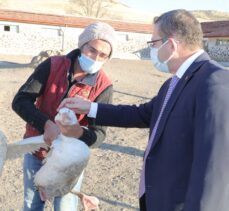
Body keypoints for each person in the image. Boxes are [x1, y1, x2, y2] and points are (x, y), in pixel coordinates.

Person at [58, 9, 229, 211]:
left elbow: (214, 170)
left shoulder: (214, 82)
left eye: (154, 43)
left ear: (171, 44)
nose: (152, 50)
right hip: (158, 198)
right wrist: (91, 107)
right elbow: (142, 114)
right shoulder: (173, 83)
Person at [12, 21, 116, 211]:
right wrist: (45, 124)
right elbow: (20, 101)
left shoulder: (103, 86)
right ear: (82, 45)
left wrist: (77, 133)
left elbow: (99, 134)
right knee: (31, 204)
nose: (96, 57)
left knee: (65, 206)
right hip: (37, 151)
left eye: (103, 55)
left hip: (70, 163)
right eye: (92, 50)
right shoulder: (52, 65)